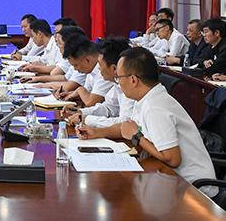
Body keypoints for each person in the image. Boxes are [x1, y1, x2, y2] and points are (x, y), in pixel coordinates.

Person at [78, 47, 217, 197]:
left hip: (194, 190)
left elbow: (172, 159)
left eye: (118, 77)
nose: (118, 82)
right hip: (169, 178)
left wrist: (137, 137)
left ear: (133, 80)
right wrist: (97, 132)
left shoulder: (155, 107)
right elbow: (127, 127)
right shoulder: (147, 98)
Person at [63, 37, 133, 127]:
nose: (99, 68)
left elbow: (125, 123)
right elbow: (109, 108)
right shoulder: (118, 83)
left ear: (114, 68)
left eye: (100, 64)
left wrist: (86, 119)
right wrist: (81, 112)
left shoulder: (131, 86)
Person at [59, 34, 114, 107]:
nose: (75, 69)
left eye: (76, 65)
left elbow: (90, 102)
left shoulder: (105, 71)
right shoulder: (91, 70)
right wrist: (71, 94)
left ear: (87, 60)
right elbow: (87, 93)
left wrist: (79, 90)